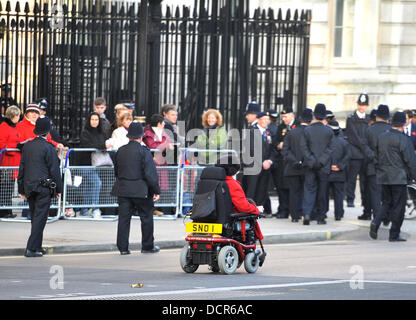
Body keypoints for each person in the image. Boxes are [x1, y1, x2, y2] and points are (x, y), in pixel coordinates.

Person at [112, 121, 161, 254]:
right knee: (146, 218)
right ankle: (147, 246)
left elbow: (116, 171)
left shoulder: (120, 151)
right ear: (141, 136)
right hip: (141, 190)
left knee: (123, 219)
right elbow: (150, 174)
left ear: (129, 136)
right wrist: (156, 190)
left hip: (123, 189)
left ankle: (123, 248)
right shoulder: (144, 151)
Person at [17, 117, 62, 257]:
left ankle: (37, 246)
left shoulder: (28, 146)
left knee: (35, 217)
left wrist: (21, 188)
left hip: (30, 185)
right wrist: (57, 189)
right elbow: (54, 171)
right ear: (48, 132)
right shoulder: (49, 147)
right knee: (40, 218)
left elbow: (22, 168)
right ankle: (31, 248)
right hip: (44, 185)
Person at [370, 111, 416, 242]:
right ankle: (394, 234)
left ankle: (376, 222)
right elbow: (410, 161)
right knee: (398, 207)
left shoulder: (382, 137)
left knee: (386, 203)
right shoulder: (403, 139)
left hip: (384, 176)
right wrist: (413, 176)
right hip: (399, 178)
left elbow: (376, 156)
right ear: (402, 124)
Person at [215, 154, 264, 241]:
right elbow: (243, 207)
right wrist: (256, 209)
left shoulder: (209, 182)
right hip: (227, 219)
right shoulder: (232, 184)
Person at [301, 103, 334, 225]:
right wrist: (321, 161)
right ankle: (321, 217)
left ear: (314, 115)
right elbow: (330, 149)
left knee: (309, 189)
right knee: (322, 191)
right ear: (324, 116)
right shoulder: (329, 131)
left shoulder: (307, 130)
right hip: (323, 166)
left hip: (310, 165)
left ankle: (307, 213)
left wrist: (311, 160)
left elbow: (303, 148)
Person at [281, 108, 312, 222]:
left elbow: (285, 150)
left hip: (292, 167)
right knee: (306, 191)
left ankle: (294, 216)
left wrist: (295, 161)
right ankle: (306, 213)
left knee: (294, 192)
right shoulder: (310, 132)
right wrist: (304, 161)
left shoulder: (291, 132)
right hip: (307, 167)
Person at [363, 105, 391, 223]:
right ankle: (386, 217)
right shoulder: (391, 129)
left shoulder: (369, 130)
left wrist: (374, 158)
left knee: (375, 194)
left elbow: (364, 147)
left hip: (373, 167)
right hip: (389, 167)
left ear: (377, 116)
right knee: (388, 195)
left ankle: (377, 218)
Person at [345, 93, 371, 220]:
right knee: (352, 178)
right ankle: (350, 199)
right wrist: (363, 146)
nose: (362, 107)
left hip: (365, 154)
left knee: (365, 180)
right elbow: (352, 135)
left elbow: (368, 135)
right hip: (355, 153)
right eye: (360, 105)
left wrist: (365, 147)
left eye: (364, 105)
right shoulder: (351, 118)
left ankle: (364, 200)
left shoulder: (369, 118)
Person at [78, 112, 110, 218]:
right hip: (86, 163)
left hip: (97, 163)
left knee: (88, 186)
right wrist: (102, 145)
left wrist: (104, 145)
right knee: (97, 183)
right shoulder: (85, 132)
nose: (94, 122)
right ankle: (95, 208)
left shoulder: (102, 132)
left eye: (96, 119)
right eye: (92, 119)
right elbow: (87, 145)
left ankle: (84, 209)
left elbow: (104, 143)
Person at [143, 114, 175, 216]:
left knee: (163, 187)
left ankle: (161, 208)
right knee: (152, 185)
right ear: (159, 123)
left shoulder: (164, 132)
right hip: (152, 163)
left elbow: (169, 142)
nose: (164, 124)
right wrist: (166, 145)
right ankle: (151, 208)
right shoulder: (148, 133)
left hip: (162, 163)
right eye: (163, 122)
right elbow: (152, 145)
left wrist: (166, 145)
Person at [272, 106, 300, 219]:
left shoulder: (297, 126)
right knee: (281, 186)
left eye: (286, 116)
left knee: (293, 188)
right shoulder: (281, 127)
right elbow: (275, 142)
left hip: (294, 161)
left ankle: (295, 210)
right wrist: (279, 145)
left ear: (292, 116)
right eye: (283, 117)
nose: (284, 119)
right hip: (282, 161)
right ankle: (283, 209)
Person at [327, 120, 351, 221]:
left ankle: (323, 212)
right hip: (340, 173)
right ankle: (338, 213)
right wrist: (340, 166)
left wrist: (330, 166)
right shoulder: (344, 142)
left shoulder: (327, 142)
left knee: (324, 194)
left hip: (328, 172)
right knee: (339, 194)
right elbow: (348, 156)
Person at [0, 106, 21, 218]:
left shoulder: (15, 126)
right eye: (18, 116)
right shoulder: (3, 127)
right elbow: (2, 144)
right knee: (5, 188)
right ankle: (3, 211)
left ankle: (8, 210)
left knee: (10, 187)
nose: (19, 118)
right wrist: (16, 146)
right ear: (13, 116)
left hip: (13, 161)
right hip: (6, 161)